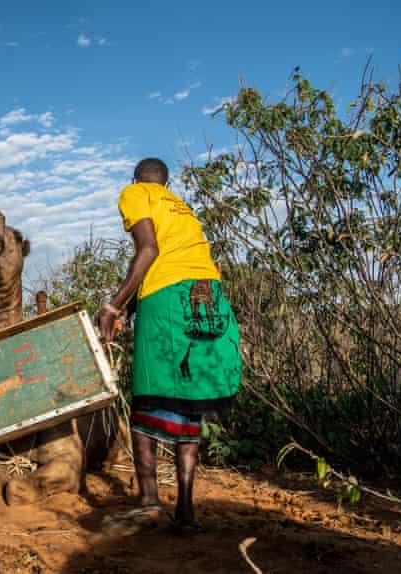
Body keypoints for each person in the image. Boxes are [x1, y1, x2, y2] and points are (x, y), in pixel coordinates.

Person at [97, 158, 241, 534]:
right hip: (209, 297)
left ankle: (149, 503)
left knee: (150, 396)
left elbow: (148, 251)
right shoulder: (181, 208)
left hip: (167, 300)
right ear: (167, 182)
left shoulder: (134, 193)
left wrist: (112, 305)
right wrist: (128, 308)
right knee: (188, 403)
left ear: (136, 179)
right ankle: (187, 514)